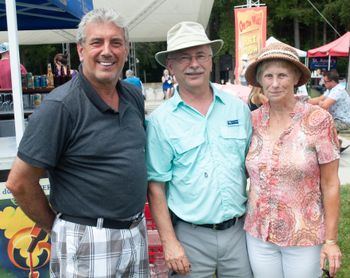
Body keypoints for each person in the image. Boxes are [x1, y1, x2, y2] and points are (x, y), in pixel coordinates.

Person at [6, 8, 149, 277]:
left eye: (115, 42)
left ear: (125, 49)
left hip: (134, 233)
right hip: (87, 239)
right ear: (81, 50)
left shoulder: (133, 96)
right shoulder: (60, 106)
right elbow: (19, 182)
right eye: (97, 42)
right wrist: (54, 226)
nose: (107, 51)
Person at [146, 21, 253, 277]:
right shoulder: (160, 121)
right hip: (189, 237)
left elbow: (254, 170)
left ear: (211, 61)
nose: (194, 64)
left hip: (239, 233)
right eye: (184, 58)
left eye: (201, 55)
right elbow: (156, 187)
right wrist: (170, 243)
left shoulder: (237, 109)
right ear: (170, 66)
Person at [243, 42, 342, 278]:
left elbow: (330, 184)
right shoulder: (252, 120)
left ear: (296, 77)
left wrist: (331, 240)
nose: (274, 83)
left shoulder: (318, 120)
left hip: (304, 235)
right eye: (268, 76)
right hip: (259, 233)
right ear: (259, 80)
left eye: (282, 75)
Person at [309, 70, 350, 152]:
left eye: (325, 81)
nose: (323, 83)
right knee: (322, 123)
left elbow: (324, 105)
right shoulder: (331, 89)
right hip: (336, 118)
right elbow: (320, 99)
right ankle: (335, 143)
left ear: (332, 81)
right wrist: (304, 101)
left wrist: (320, 103)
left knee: (321, 126)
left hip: (343, 121)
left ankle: (331, 145)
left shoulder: (338, 90)